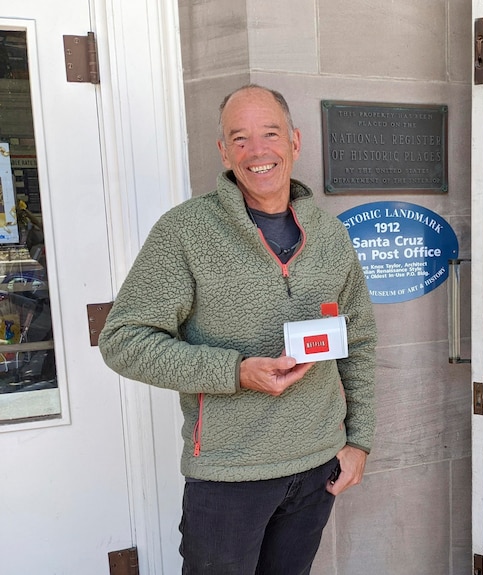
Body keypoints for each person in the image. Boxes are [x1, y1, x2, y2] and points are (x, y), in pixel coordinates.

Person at [98, 84, 377, 575]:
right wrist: (235, 371)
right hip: (229, 475)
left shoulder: (331, 235)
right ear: (224, 152)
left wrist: (358, 443)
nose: (257, 151)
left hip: (317, 466)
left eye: (269, 134)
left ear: (294, 141)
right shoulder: (185, 231)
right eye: (240, 138)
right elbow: (123, 340)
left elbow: (358, 342)